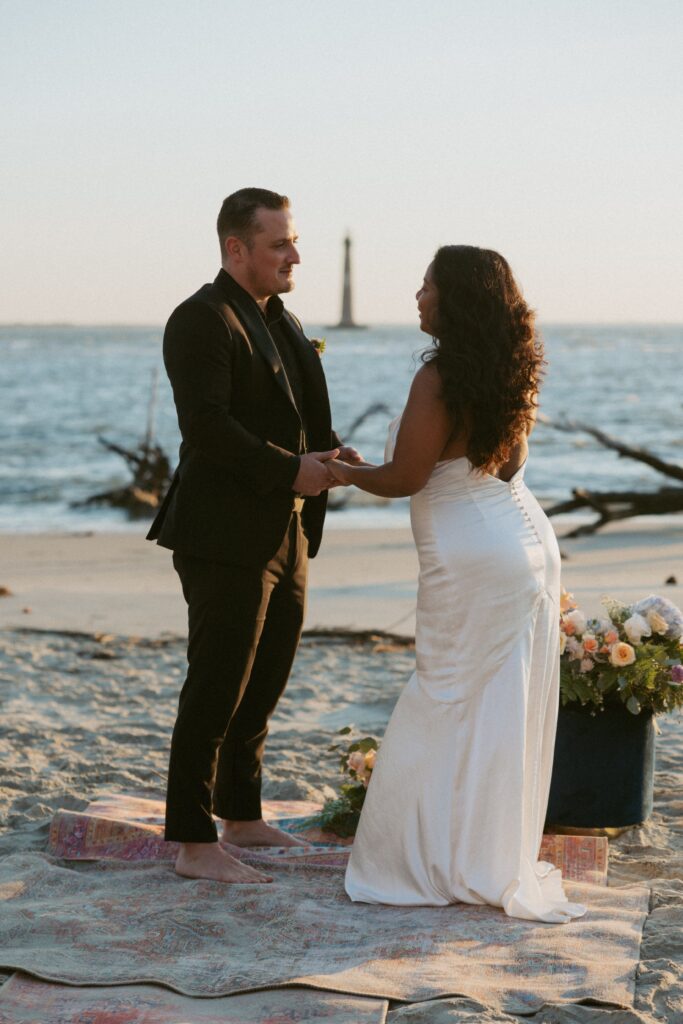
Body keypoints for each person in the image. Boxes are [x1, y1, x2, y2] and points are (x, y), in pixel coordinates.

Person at [328, 246, 586, 923]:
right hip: (523, 540)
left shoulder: (439, 377)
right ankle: (484, 857)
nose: (416, 295)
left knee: (441, 697)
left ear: (455, 299)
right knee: (500, 708)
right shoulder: (509, 369)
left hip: (470, 554)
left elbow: (408, 478)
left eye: (426, 285)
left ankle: (420, 864)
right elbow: (502, 466)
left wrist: (343, 471)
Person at [147, 188, 359, 884]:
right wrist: (287, 469)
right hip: (222, 535)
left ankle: (241, 815)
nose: (293, 254)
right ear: (235, 248)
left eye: (293, 241)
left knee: (264, 681)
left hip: (285, 530)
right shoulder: (199, 319)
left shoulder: (281, 318)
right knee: (216, 684)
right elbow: (205, 428)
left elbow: (289, 413)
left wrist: (327, 457)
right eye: (278, 243)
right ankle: (191, 841)